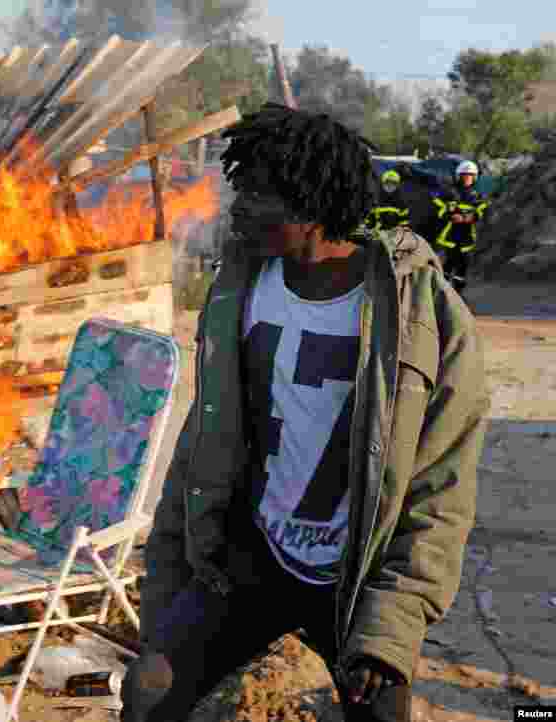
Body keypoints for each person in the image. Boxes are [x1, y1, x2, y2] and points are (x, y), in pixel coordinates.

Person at [121, 104, 488, 722]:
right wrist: (173, 568)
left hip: (355, 579)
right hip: (253, 558)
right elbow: (204, 439)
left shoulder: (423, 314)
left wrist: (391, 626)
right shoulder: (240, 289)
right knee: (150, 688)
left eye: (256, 193)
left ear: (311, 203)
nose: (236, 209)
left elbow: (442, 487)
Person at [430, 160, 488, 292]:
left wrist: (472, 217)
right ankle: (441, 290)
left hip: (467, 235)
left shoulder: (477, 196)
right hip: (451, 234)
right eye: (465, 175)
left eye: (470, 176)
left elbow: (483, 211)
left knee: (463, 263)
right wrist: (450, 216)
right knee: (449, 261)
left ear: (475, 177)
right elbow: (438, 208)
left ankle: (458, 292)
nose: (467, 178)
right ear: (459, 176)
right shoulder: (450, 192)